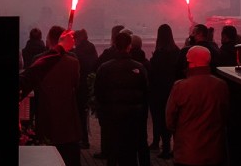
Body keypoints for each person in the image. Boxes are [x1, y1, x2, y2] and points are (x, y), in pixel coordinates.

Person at [19, 27, 81, 166]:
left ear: (49, 40)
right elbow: (76, 85)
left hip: (46, 116)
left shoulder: (39, 60)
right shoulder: (73, 62)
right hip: (68, 119)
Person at [166, 45, 229, 166]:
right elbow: (225, 115)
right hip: (214, 152)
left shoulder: (180, 87)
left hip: (187, 153)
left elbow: (170, 121)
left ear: (191, 62)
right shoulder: (221, 85)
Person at [94, 31, 149, 166]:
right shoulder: (138, 67)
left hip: (112, 115)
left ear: (115, 44)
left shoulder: (105, 68)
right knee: (130, 153)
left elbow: (98, 92)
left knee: (113, 152)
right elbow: (146, 92)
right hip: (133, 116)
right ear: (129, 46)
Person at [149, 24, 179, 159]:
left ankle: (165, 147)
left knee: (161, 120)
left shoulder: (158, 53)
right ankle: (175, 148)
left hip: (159, 92)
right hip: (173, 90)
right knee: (174, 120)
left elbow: (153, 72)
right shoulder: (176, 51)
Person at [73, 28, 98, 149]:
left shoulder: (77, 51)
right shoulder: (92, 47)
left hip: (79, 86)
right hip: (89, 84)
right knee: (84, 113)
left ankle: (83, 139)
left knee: (80, 113)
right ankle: (85, 139)